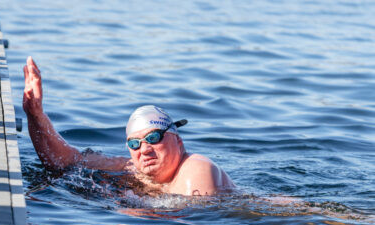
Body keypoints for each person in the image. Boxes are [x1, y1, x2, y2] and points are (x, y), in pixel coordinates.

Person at [23, 56, 235, 196]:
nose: (144, 149)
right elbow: (63, 162)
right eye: (134, 143)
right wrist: (35, 114)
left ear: (178, 141)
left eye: (153, 138)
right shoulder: (130, 169)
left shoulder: (196, 169)